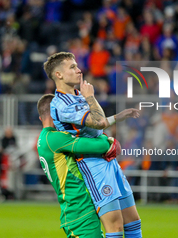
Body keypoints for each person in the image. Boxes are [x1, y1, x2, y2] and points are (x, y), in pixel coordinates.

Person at [44, 52, 142, 238]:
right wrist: (91, 97)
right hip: (93, 165)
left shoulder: (78, 95)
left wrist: (118, 116)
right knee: (115, 226)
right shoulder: (62, 104)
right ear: (59, 75)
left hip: (109, 161)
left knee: (133, 221)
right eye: (72, 67)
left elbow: (101, 122)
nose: (79, 70)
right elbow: (99, 122)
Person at [37, 94, 119, 238]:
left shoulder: (44, 139)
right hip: (79, 209)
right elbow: (98, 146)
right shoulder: (55, 138)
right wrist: (108, 139)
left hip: (73, 209)